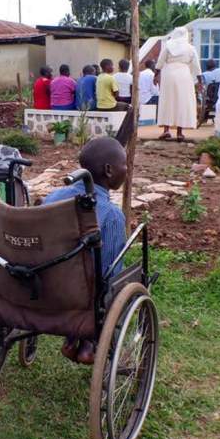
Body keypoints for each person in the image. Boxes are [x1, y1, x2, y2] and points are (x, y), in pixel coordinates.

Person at [44, 137, 127, 365]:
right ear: (109, 170)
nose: (126, 170)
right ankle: (88, 341)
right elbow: (106, 275)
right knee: (112, 278)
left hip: (43, 286)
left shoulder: (52, 198)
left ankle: (73, 338)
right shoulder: (111, 215)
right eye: (125, 165)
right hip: (81, 299)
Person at [155, 27, 203, 141]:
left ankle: (166, 130)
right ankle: (179, 133)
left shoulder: (168, 45)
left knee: (168, 101)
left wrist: (155, 75)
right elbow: (197, 66)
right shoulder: (190, 48)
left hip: (169, 75)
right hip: (184, 74)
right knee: (182, 102)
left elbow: (160, 61)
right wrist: (200, 81)